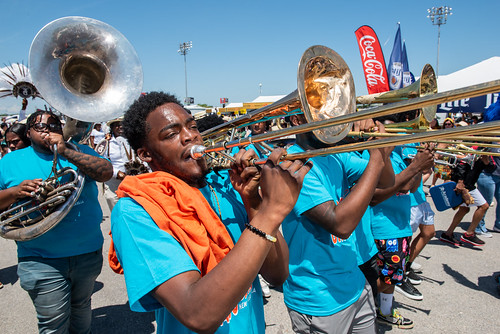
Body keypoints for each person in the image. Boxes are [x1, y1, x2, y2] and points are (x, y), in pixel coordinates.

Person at [108, 91, 311, 334]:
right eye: (172, 134)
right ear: (145, 154)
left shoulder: (225, 185)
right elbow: (197, 314)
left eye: (192, 127)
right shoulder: (136, 210)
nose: (190, 136)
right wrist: (272, 211)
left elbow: (277, 275)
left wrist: (254, 203)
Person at [0, 110, 113, 333]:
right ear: (29, 133)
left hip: (87, 253)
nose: (48, 130)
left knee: (81, 309)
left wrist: (66, 153)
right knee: (53, 324)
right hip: (41, 258)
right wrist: (15, 192)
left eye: (54, 126)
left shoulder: (80, 151)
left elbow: (105, 172)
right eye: (40, 127)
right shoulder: (10, 161)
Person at [281, 114, 395, 334]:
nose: (334, 118)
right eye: (323, 112)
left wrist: (380, 149)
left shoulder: (333, 156)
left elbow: (386, 180)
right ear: (296, 120)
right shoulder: (291, 164)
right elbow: (340, 225)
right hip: (318, 296)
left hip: (354, 283)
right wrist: (376, 159)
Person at [440, 152, 495, 246]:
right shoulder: (472, 145)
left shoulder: (486, 149)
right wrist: (460, 181)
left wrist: (486, 161)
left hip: (469, 182)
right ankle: (469, 233)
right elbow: (461, 163)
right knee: (484, 206)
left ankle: (448, 234)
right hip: (464, 184)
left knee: (464, 209)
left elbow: (491, 168)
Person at [95, 117, 132, 211]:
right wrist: (118, 174)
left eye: (122, 124)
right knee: (117, 210)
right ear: (112, 127)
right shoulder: (105, 143)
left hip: (132, 180)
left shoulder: (132, 140)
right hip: (113, 183)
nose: (120, 127)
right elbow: (100, 162)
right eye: (117, 125)